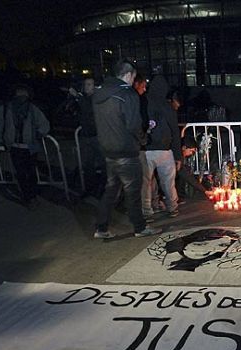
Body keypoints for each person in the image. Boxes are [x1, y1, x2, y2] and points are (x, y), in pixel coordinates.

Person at [93, 59, 160, 239]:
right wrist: (143, 138)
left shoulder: (99, 94)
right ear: (129, 75)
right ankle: (140, 227)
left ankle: (101, 228)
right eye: (133, 77)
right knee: (133, 191)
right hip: (126, 150)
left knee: (111, 189)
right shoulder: (127, 94)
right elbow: (133, 124)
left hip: (108, 150)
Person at [0, 84, 50, 209]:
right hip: (16, 146)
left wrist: (39, 133)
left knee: (30, 173)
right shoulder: (7, 108)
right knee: (23, 173)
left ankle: (31, 196)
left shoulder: (31, 109)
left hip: (29, 145)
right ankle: (29, 197)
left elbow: (44, 124)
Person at [141, 76, 182, 218]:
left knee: (146, 183)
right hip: (165, 149)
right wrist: (178, 155)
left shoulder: (143, 103)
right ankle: (172, 207)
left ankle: (147, 210)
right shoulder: (167, 107)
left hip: (147, 150)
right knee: (168, 182)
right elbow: (175, 132)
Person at [70, 77, 105, 197]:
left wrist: (77, 96)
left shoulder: (97, 99)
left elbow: (88, 109)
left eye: (90, 84)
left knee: (104, 164)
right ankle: (90, 188)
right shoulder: (85, 99)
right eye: (85, 84)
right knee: (88, 164)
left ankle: (104, 189)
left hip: (97, 136)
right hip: (86, 136)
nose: (87, 87)